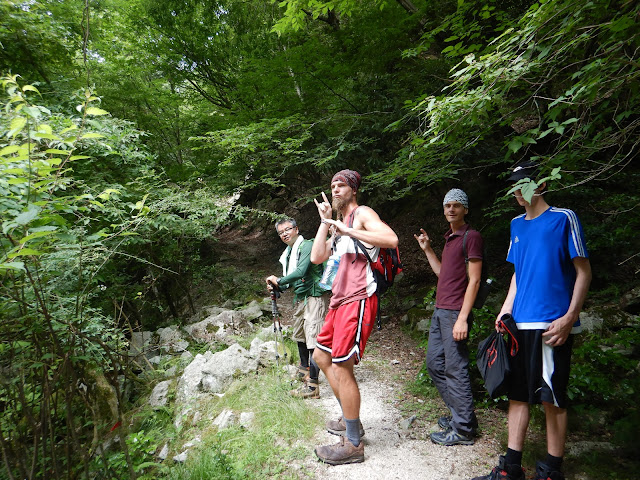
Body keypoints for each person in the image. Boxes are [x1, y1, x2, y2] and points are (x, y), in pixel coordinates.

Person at [472, 161, 591, 480]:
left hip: (552, 325)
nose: (516, 191)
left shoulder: (564, 218)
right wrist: (505, 310)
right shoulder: (516, 225)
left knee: (552, 399)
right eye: (512, 185)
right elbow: (517, 273)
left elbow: (584, 272)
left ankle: (552, 471)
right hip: (518, 325)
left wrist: (569, 318)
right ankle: (511, 468)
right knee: (518, 396)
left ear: (539, 186)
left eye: (521, 184)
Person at [309, 169, 398, 465]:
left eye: (340, 186)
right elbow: (316, 257)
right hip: (338, 301)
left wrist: (349, 231)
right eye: (332, 185)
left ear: (353, 190)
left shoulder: (361, 213)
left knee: (341, 365)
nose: (334, 190)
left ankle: (353, 443)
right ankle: (352, 420)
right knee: (321, 358)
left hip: (358, 298)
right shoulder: (338, 222)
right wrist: (325, 222)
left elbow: (391, 238)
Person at [414, 188, 481, 446]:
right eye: (447, 206)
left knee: (455, 368)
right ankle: (462, 415)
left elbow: (474, 280)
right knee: (434, 364)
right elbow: (444, 275)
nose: (451, 209)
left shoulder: (471, 237)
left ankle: (463, 429)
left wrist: (463, 318)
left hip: (455, 312)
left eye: (456, 205)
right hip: (440, 310)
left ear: (465, 209)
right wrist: (428, 249)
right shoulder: (450, 238)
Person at [266, 218, 328, 399]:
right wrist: (277, 286)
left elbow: (301, 272)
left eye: (288, 229)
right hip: (301, 298)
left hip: (314, 296)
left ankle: (313, 386)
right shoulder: (288, 253)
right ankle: (304, 369)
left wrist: (280, 281)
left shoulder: (307, 246)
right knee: (300, 335)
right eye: (281, 232)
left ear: (296, 229)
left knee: (314, 339)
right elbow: (289, 280)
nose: (285, 234)